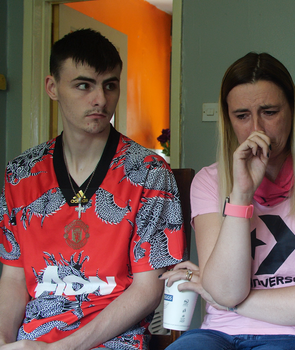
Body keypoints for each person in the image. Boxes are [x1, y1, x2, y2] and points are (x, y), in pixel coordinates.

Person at [0, 29, 185, 349]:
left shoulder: (150, 175)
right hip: (32, 336)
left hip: (115, 337)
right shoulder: (20, 174)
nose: (100, 99)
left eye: (110, 85)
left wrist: (62, 348)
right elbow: (13, 279)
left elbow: (148, 289)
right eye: (83, 85)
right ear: (52, 87)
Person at [161, 52, 295, 350]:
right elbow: (228, 289)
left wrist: (226, 301)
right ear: (228, 120)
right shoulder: (209, 180)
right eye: (242, 116)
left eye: (269, 112)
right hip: (219, 335)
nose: (257, 129)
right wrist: (241, 194)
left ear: (292, 111)